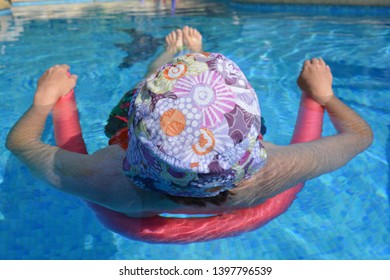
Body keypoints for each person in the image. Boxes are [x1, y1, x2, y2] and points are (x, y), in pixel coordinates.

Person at [6, 26, 373, 218]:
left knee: (150, 80)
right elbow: (359, 136)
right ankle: (195, 57)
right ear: (253, 142)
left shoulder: (105, 178)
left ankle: (167, 57)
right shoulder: (275, 170)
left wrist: (43, 101)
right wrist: (324, 96)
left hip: (134, 157)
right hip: (243, 168)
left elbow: (21, 144)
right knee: (184, 95)